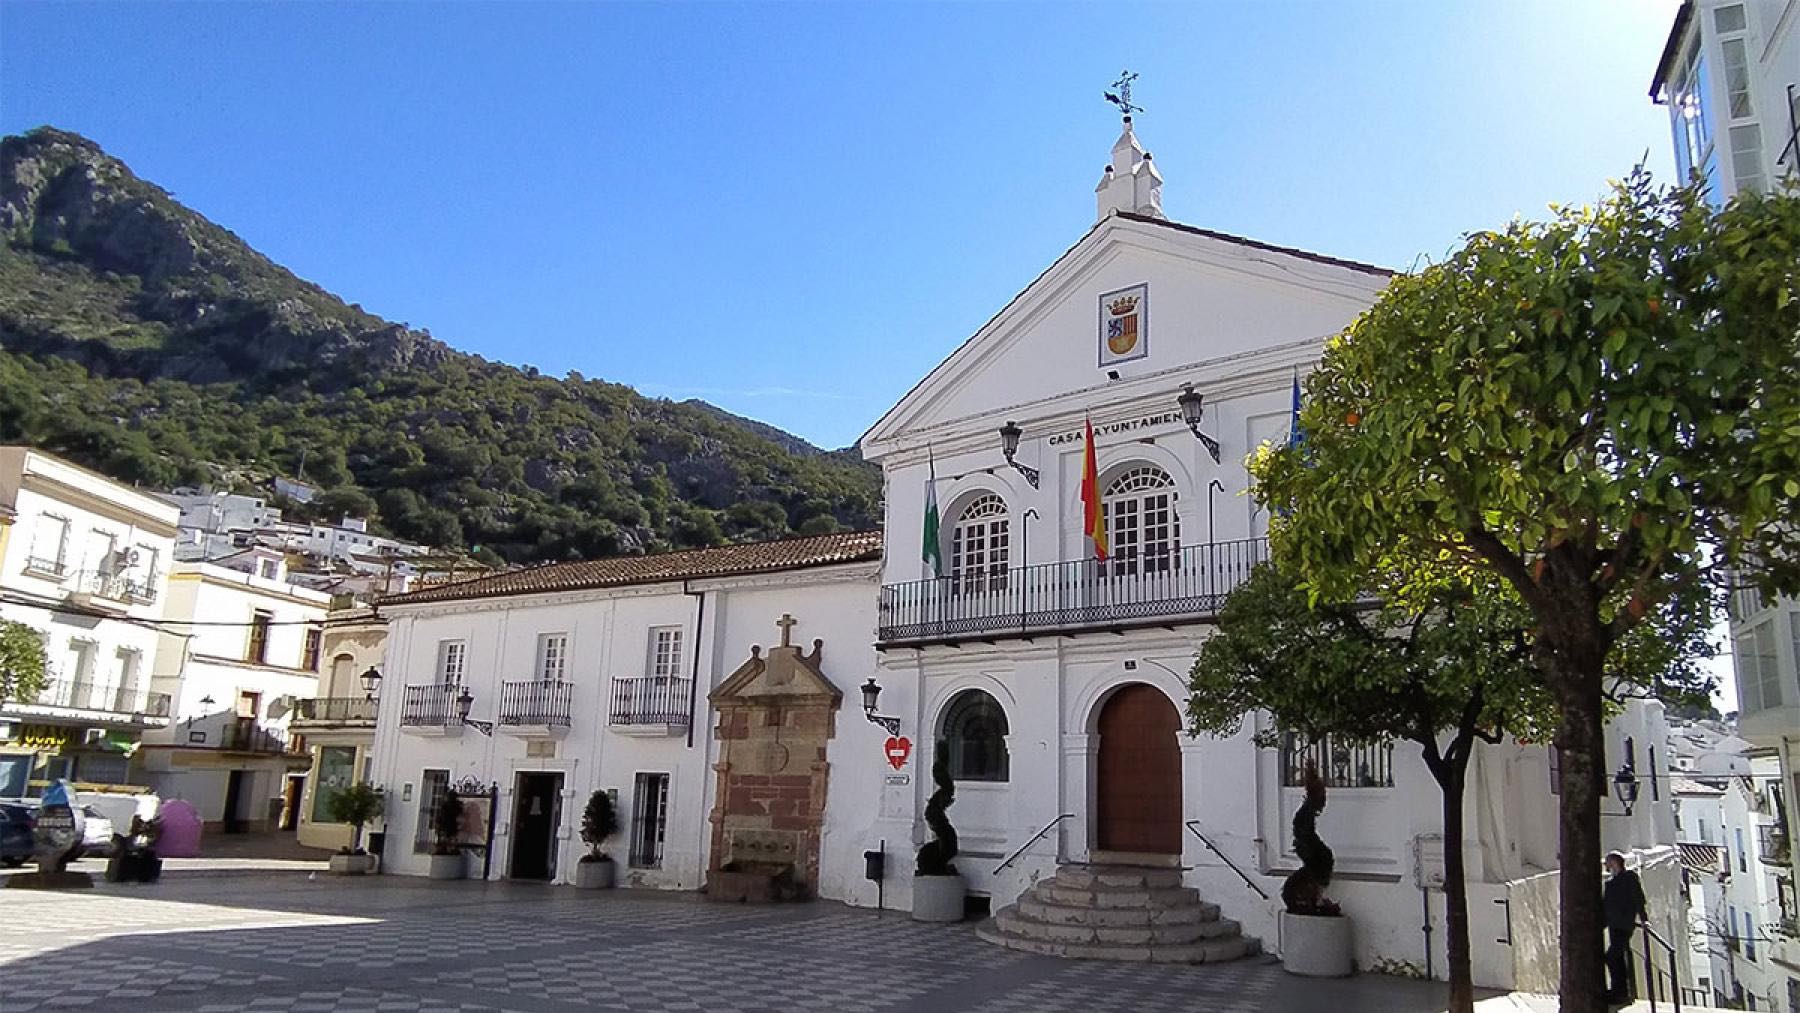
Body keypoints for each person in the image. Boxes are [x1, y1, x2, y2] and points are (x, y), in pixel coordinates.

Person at [1602, 851, 1648, 1005]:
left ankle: (1621, 991)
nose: (1606, 865)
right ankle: (1619, 991)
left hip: (1624, 924)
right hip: (1614, 925)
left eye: (1608, 862)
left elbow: (1638, 898)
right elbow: (1606, 905)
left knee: (1612, 956)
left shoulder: (1629, 878)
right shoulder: (1611, 883)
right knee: (1617, 957)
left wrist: (1644, 918)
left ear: (1615, 863)